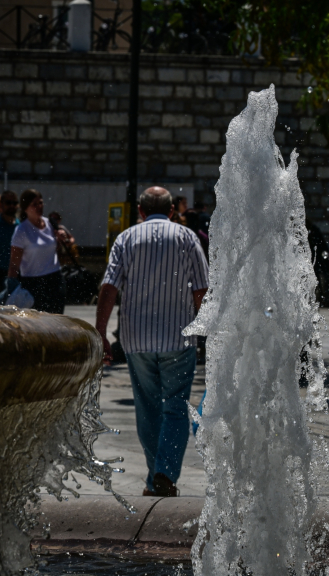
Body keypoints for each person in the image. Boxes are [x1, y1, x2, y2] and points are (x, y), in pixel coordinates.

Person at [95, 187, 209, 497]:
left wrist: (101, 332)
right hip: (178, 336)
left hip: (138, 339)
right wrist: (210, 335)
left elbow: (109, 287)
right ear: (172, 210)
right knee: (174, 407)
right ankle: (164, 474)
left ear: (141, 211)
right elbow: (201, 291)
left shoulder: (127, 239)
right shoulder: (187, 238)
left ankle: (154, 475)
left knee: (147, 408)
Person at [6, 189, 66, 313]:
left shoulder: (50, 224)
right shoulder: (21, 230)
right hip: (33, 283)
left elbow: (54, 252)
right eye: (34, 204)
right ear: (25, 208)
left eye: (41, 203)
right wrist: (11, 288)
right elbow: (14, 264)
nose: (39, 206)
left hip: (54, 279)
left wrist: (60, 240)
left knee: (56, 322)